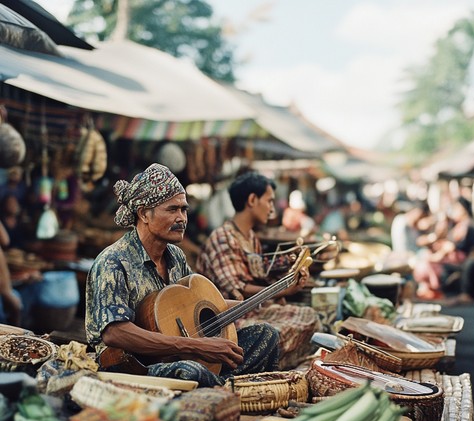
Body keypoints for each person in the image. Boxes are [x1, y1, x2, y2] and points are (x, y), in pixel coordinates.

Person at [85, 163, 280, 387]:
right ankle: (220, 385)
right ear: (144, 214)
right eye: (172, 209)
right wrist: (194, 346)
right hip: (132, 366)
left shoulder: (175, 256)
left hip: (177, 356)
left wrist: (248, 304)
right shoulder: (113, 262)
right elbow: (114, 333)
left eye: (184, 209)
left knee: (265, 335)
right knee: (190, 371)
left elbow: (194, 304)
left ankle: (214, 384)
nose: (182, 218)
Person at [196, 171, 321, 370]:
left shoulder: (251, 237)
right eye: (269, 201)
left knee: (308, 315)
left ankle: (274, 364)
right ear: (252, 200)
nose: (272, 208)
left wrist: (291, 278)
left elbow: (259, 277)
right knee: (277, 331)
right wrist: (283, 290)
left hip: (254, 312)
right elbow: (239, 288)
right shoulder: (223, 238)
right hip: (227, 320)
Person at [413, 197, 474, 299]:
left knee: (427, 262)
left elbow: (453, 246)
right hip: (451, 255)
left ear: (463, 210)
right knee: (425, 257)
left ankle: (436, 289)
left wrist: (438, 254)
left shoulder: (466, 225)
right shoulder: (457, 224)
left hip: (458, 257)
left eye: (456, 209)